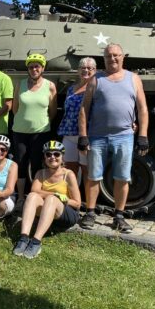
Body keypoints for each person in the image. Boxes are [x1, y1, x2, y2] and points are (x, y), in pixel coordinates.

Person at [78, 43, 149, 233]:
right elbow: (84, 108)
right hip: (97, 136)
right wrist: (83, 136)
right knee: (93, 176)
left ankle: (119, 216)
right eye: (109, 56)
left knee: (123, 177)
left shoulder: (133, 79)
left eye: (116, 55)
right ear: (104, 58)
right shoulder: (96, 79)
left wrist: (142, 134)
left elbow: (142, 108)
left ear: (123, 57)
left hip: (124, 136)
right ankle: (90, 212)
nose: (113, 59)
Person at [12, 141, 81, 259]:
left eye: (56, 154)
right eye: (48, 154)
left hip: (66, 214)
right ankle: (24, 238)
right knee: (32, 196)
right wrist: (55, 193)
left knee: (51, 199)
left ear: (62, 156)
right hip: (47, 212)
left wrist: (62, 199)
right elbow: (34, 191)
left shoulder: (68, 175)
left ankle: (36, 241)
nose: (52, 157)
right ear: (44, 157)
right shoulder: (40, 173)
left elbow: (77, 204)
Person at [12, 53, 57, 211]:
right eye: (31, 67)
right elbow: (15, 108)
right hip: (20, 131)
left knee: (38, 165)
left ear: (42, 68)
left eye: (37, 66)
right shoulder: (20, 84)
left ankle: (35, 196)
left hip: (41, 132)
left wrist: (42, 123)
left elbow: (52, 110)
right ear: (28, 69)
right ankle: (21, 197)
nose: (34, 69)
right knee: (21, 164)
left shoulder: (50, 86)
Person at [57, 57, 97, 201]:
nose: (86, 70)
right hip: (68, 134)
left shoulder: (97, 88)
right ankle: (71, 202)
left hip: (87, 135)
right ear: (78, 70)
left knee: (87, 171)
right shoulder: (71, 89)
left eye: (89, 68)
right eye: (82, 68)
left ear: (95, 71)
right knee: (68, 171)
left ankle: (88, 204)